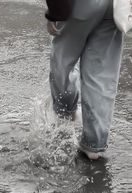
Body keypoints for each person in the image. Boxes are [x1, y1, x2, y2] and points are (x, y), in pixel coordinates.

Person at [45, 0, 123, 160]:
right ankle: (94, 144)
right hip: (115, 5)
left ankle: (66, 111)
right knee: (101, 72)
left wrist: (55, 13)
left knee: (63, 59)